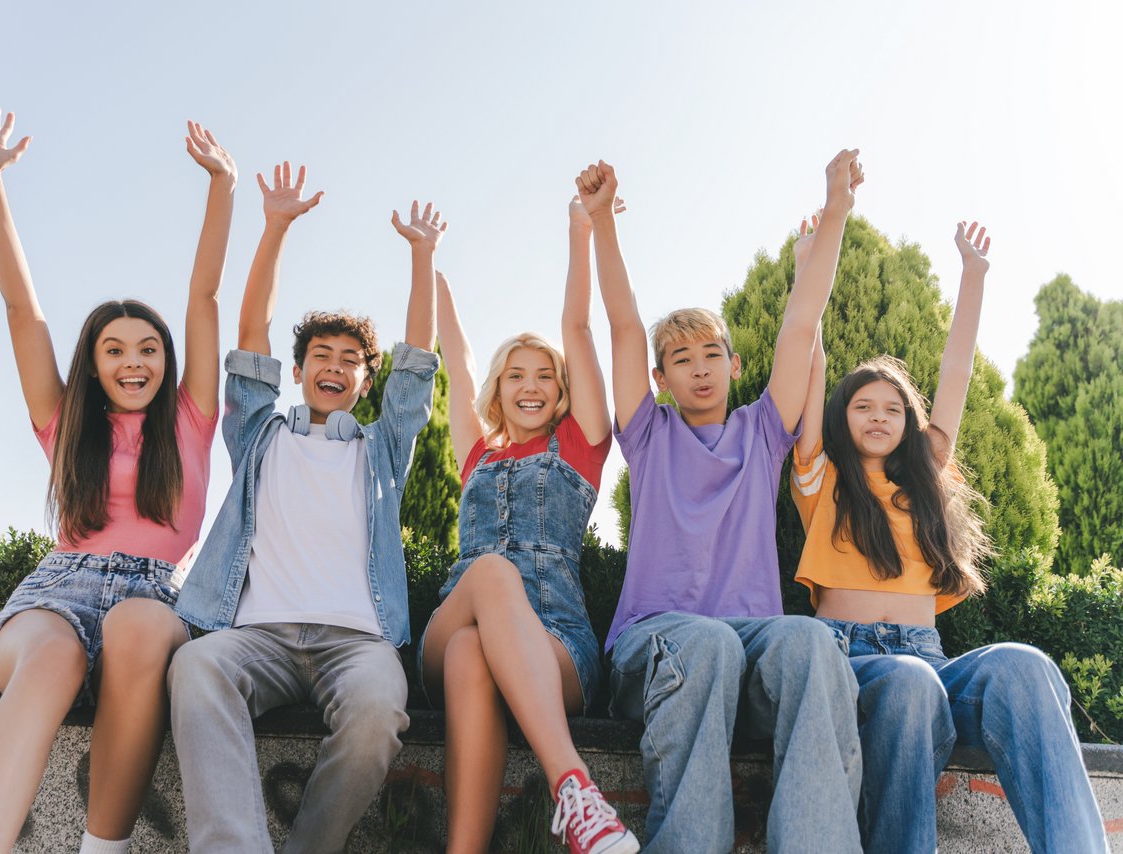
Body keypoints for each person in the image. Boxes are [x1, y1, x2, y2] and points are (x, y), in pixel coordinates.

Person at [0, 108, 234, 854]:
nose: (133, 361)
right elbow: (23, 311)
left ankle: (100, 849)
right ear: (94, 362)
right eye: (114, 349)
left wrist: (223, 190)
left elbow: (203, 298)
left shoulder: (192, 417)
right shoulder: (64, 421)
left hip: (153, 595)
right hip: (56, 593)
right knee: (53, 656)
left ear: (167, 361)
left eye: (148, 348)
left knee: (138, 628)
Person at [790, 220, 1109, 853]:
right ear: (839, 418)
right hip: (847, 663)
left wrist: (973, 276)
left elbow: (956, 368)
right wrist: (808, 269)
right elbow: (808, 358)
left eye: (893, 408)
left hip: (927, 662)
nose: (879, 416)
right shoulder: (820, 478)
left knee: (1025, 665)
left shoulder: (924, 480)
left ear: (909, 422)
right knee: (908, 682)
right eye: (862, 407)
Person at [165, 161, 444, 853]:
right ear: (298, 370)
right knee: (195, 667)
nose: (335, 366)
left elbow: (416, 365)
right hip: (259, 637)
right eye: (322, 354)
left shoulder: (381, 450)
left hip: (357, 643)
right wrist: (276, 228)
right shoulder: (259, 433)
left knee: (381, 710)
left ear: (363, 379)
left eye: (352, 359)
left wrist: (422, 255)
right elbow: (251, 328)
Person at [595, 152, 867, 853]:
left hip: (751, 645)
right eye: (681, 359)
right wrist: (602, 223)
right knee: (709, 642)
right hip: (659, 640)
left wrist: (834, 211)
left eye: (711, 353)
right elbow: (624, 325)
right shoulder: (648, 435)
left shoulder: (761, 433)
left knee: (811, 640)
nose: (700, 368)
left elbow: (802, 326)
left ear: (734, 364)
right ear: (661, 377)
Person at [422, 189, 638, 854]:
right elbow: (452, 358)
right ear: (500, 386)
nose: (532, 384)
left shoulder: (580, 443)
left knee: (471, 655)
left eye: (545, 374)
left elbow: (578, 327)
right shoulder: (479, 454)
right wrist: (426, 262)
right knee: (482, 583)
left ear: (561, 387)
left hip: (557, 644)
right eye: (516, 374)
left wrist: (580, 229)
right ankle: (573, 791)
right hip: (459, 608)